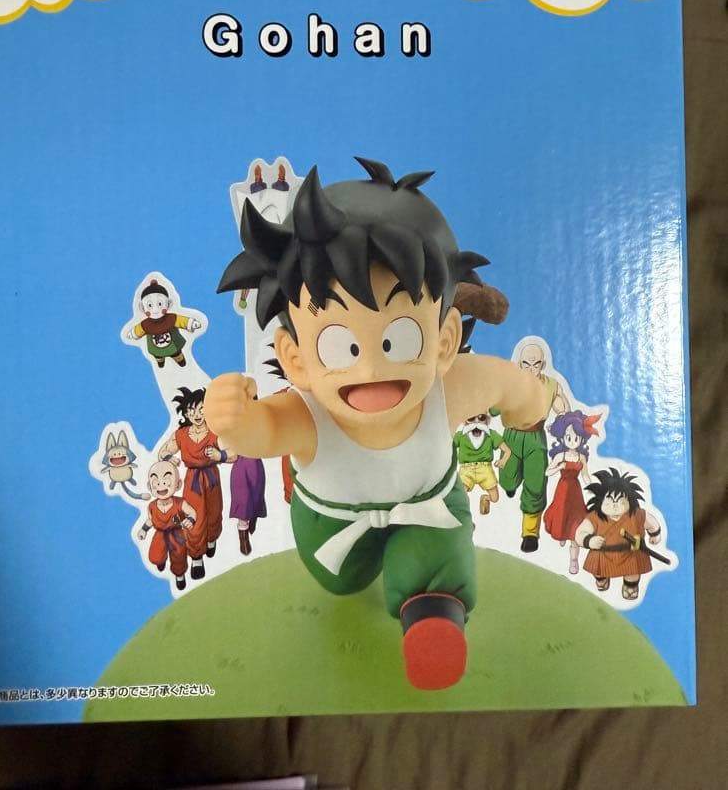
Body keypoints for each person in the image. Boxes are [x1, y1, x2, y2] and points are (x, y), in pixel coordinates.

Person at [205, 157, 547, 690]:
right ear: (296, 359)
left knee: (436, 560)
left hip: (429, 508)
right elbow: (264, 431)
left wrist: (533, 405)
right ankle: (375, 576)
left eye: (399, 340)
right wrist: (234, 419)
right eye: (339, 345)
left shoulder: (452, 387)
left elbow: (510, 386)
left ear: (445, 341)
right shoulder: (307, 415)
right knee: (340, 582)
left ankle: (433, 618)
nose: (370, 370)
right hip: (331, 528)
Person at [498, 340, 570, 553]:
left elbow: (563, 409)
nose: (531, 369)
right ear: (520, 364)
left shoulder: (550, 385)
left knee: (536, 484)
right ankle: (510, 484)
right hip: (511, 436)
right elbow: (492, 405)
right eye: (526, 364)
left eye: (536, 364)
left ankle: (530, 533)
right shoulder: (510, 383)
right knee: (507, 478)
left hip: (536, 439)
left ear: (543, 365)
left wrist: (565, 420)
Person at [160, 387, 234, 579]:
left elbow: (234, 452)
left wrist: (220, 455)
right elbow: (164, 451)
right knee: (194, 517)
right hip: (192, 481)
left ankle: (211, 539)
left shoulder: (215, 432)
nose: (197, 414)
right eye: (191, 410)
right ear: (186, 413)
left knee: (214, 513)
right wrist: (169, 457)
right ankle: (196, 558)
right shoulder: (182, 434)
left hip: (212, 479)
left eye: (201, 409)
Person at [574, 467, 662, 600]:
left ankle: (630, 586)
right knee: (599, 571)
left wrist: (655, 534)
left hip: (632, 553)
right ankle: (602, 579)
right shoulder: (594, 517)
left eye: (620, 501)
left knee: (633, 573)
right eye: (609, 501)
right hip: (603, 553)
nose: (614, 505)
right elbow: (580, 533)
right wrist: (589, 540)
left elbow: (651, 523)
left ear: (630, 500)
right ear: (600, 500)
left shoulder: (637, 515)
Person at [542, 410, 599, 573]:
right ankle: (561, 534)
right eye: (568, 438)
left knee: (576, 523)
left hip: (576, 492)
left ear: (581, 439)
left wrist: (593, 489)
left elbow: (585, 475)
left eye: (576, 438)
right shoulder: (561, 455)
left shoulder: (581, 457)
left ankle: (573, 561)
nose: (572, 441)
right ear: (562, 438)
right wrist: (559, 467)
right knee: (561, 516)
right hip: (563, 490)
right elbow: (547, 472)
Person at [136, 460, 196, 591]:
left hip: (176, 534)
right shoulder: (152, 506)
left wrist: (191, 519)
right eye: (156, 482)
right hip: (160, 534)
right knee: (155, 556)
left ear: (178, 484)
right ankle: (161, 561)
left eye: (166, 481)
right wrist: (144, 529)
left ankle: (179, 576)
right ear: (150, 486)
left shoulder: (180, 503)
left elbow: (192, 512)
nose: (161, 485)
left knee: (179, 556)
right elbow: (151, 520)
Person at [455, 412, 511, 515]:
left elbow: (507, 450)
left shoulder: (491, 435)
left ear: (487, 420)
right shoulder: (460, 436)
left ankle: (485, 498)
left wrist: (503, 461)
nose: (476, 422)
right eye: (471, 418)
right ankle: (464, 512)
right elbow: (449, 446)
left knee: (495, 498)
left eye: (481, 418)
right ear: (465, 421)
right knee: (460, 496)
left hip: (485, 469)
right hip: (466, 470)